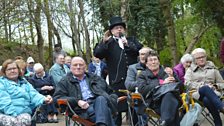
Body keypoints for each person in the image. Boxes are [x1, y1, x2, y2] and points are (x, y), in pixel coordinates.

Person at [94, 16, 143, 125]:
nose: (119, 29)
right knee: (116, 110)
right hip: (116, 82)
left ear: (124, 30)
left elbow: (141, 51)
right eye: (116, 28)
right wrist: (104, 42)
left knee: (134, 109)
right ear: (111, 31)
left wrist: (127, 44)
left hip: (132, 80)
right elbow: (97, 54)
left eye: (121, 27)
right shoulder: (108, 43)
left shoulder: (132, 40)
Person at [54, 57, 118, 126]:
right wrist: (77, 101)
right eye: (75, 65)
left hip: (99, 104)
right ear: (70, 67)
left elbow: (111, 93)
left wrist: (112, 101)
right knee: (106, 111)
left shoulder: (95, 78)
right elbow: (57, 98)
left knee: (101, 99)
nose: (78, 67)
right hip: (81, 110)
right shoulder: (64, 82)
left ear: (85, 67)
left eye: (80, 65)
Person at [0, 59, 52, 126]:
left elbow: (33, 94)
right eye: (9, 69)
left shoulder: (24, 82)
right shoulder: (2, 83)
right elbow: (4, 101)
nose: (12, 71)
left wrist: (43, 99)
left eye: (14, 68)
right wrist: (14, 115)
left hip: (23, 113)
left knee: (25, 119)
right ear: (4, 72)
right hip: (6, 113)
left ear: (18, 70)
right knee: (13, 122)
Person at [137, 52, 181, 126]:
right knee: (172, 107)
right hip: (154, 102)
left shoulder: (167, 72)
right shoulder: (142, 75)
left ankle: (165, 122)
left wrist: (174, 78)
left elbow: (181, 88)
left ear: (159, 62)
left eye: (155, 59)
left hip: (171, 100)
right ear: (146, 64)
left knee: (169, 95)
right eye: (150, 60)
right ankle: (166, 121)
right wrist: (161, 83)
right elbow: (142, 90)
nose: (153, 62)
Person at [184, 48, 224, 126]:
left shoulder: (213, 68)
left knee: (206, 99)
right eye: (198, 58)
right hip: (197, 95)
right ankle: (221, 107)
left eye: (203, 56)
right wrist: (202, 85)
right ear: (194, 60)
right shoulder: (190, 70)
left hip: (213, 94)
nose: (201, 59)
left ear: (206, 57)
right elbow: (187, 83)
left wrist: (214, 86)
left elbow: (222, 83)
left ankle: (218, 122)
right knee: (205, 88)